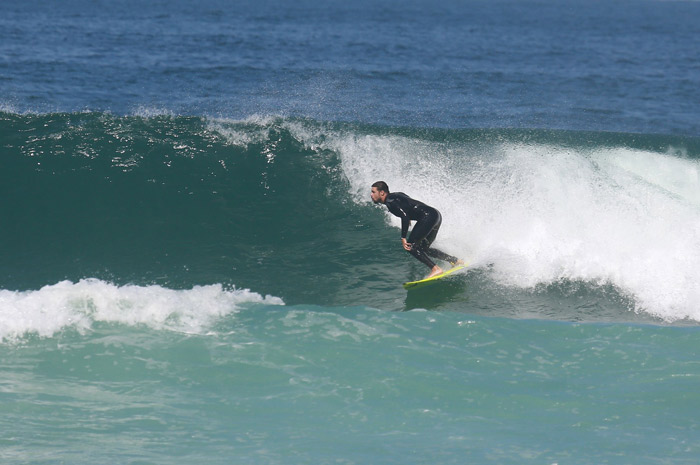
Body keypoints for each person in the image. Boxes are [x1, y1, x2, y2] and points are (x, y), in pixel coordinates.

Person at [371, 181, 462, 279]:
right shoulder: (397, 195)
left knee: (411, 246)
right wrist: (409, 216)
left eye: (373, 192)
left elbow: (404, 216)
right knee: (424, 248)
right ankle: (455, 261)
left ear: (382, 192)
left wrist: (403, 237)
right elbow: (407, 200)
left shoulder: (390, 202)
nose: (371, 195)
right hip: (435, 215)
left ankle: (436, 269)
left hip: (428, 217)